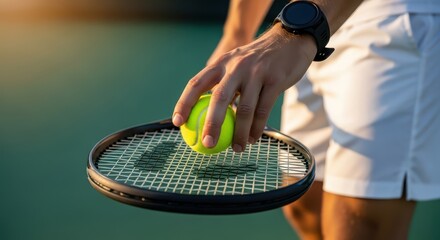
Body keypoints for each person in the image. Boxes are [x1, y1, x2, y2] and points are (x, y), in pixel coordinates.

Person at [173, 0, 440, 239]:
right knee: (305, 205)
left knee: (356, 222)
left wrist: (299, 30)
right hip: (311, 23)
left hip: (388, 19)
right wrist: (238, 32)